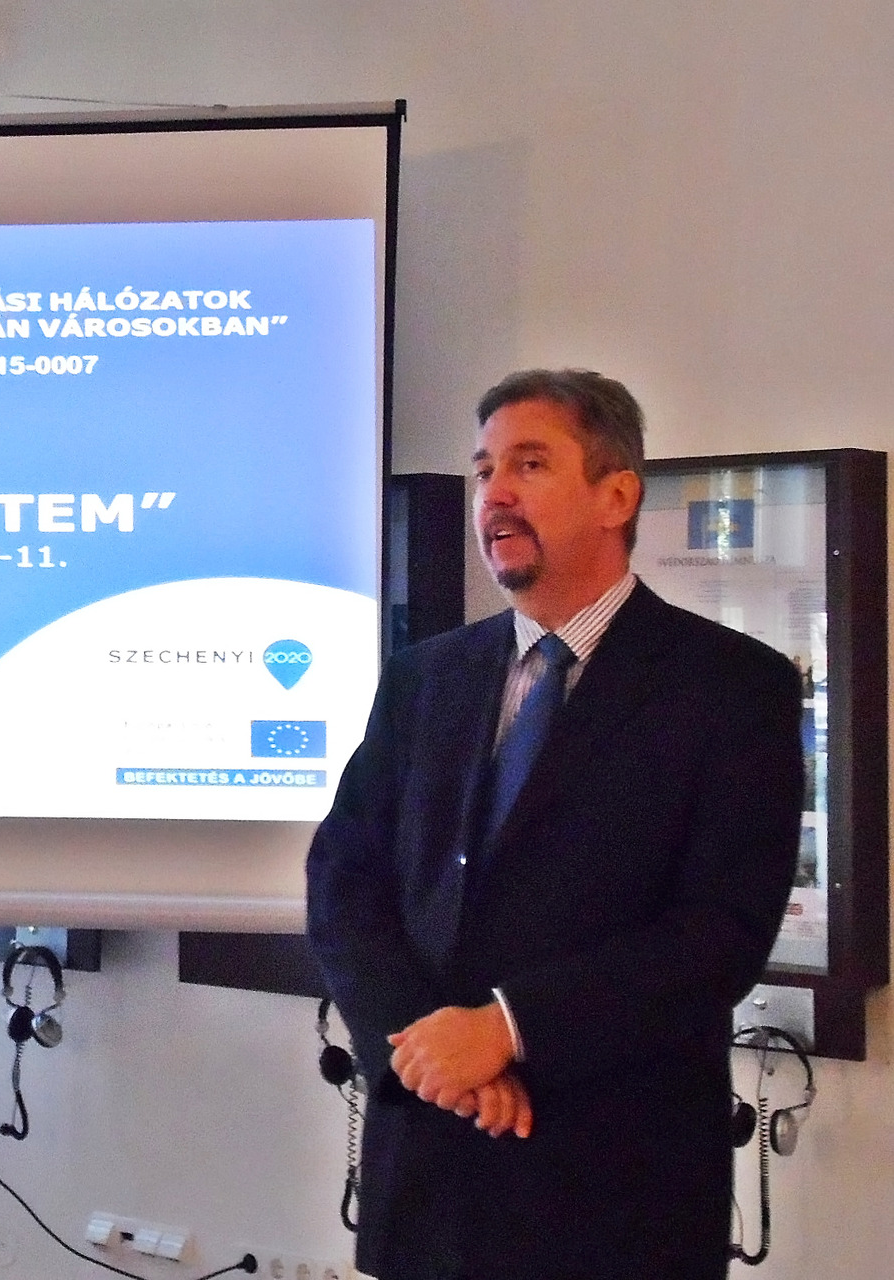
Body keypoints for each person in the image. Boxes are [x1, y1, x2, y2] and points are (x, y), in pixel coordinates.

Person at [306, 369, 802, 1280]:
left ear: (616, 496)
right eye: (483, 469)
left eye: (528, 465)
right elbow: (343, 881)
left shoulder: (731, 688)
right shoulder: (423, 679)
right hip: (431, 1176)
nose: (493, 493)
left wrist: (507, 1028)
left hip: (615, 1194)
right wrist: (430, 1053)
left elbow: (717, 934)